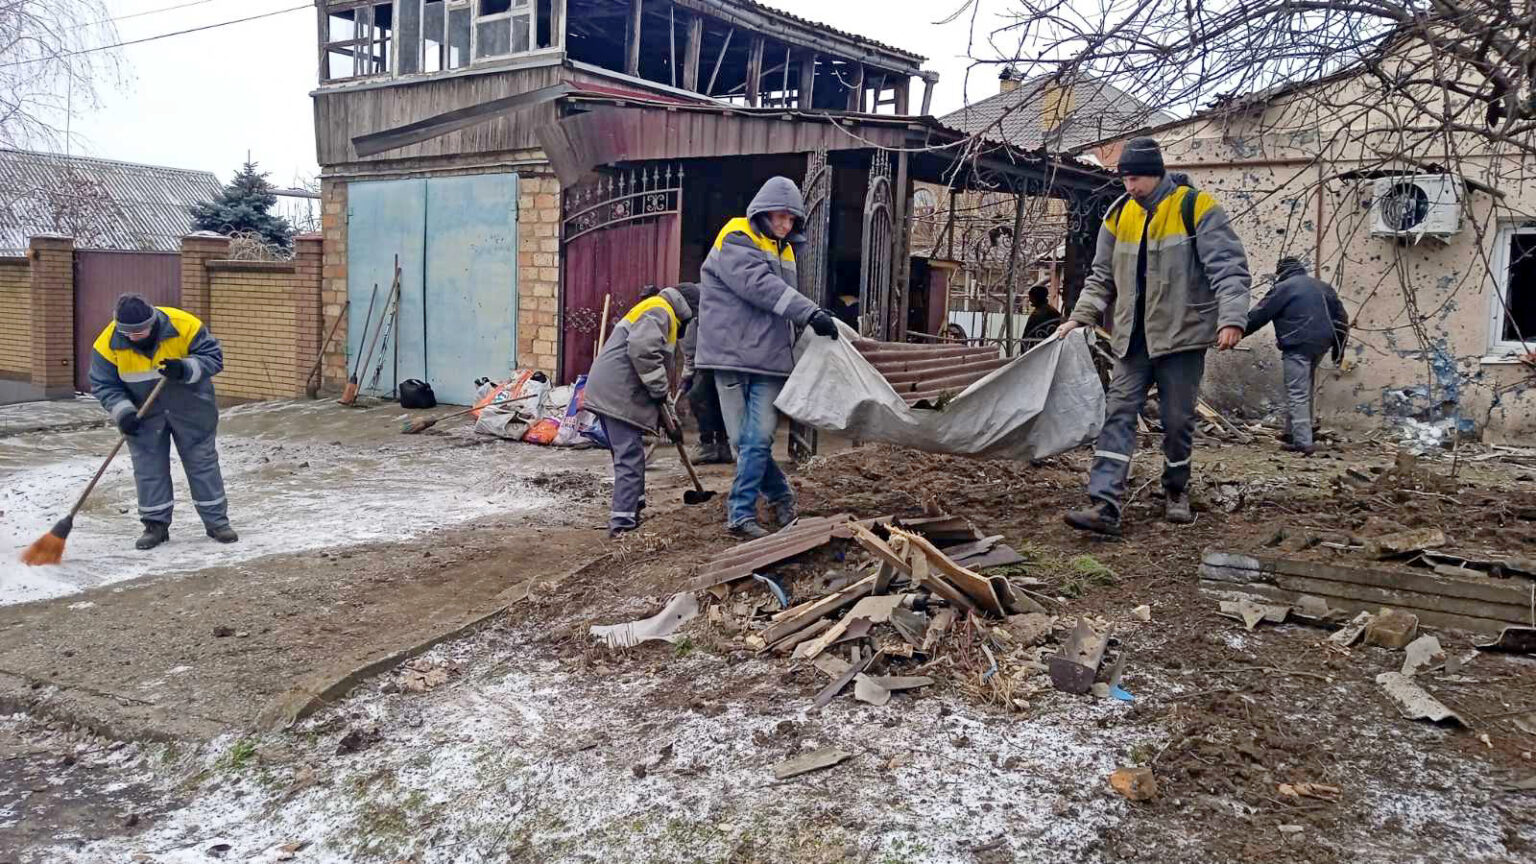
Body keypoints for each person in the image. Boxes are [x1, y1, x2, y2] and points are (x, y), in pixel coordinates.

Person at [1056, 137, 1252, 536]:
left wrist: (1232, 318)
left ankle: (1176, 489)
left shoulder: (1196, 208)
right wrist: (1080, 317)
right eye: (1125, 179)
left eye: (1137, 179)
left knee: (1177, 420)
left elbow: (1229, 269)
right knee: (1118, 413)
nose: (1131, 187)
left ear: (1157, 173)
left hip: (1181, 338)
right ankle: (1104, 503)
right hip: (1131, 339)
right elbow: (1100, 277)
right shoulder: (1118, 215)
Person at [696, 176, 840, 540]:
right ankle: (780, 495)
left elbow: (778, 300)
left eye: (792, 220)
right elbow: (760, 286)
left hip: (770, 360)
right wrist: (810, 312)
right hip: (730, 356)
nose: (785, 224)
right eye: (781, 216)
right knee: (744, 443)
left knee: (757, 440)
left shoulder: (786, 249)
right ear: (763, 210)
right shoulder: (736, 236)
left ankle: (740, 514)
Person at [89, 293, 237, 550]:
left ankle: (217, 523)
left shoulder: (184, 325)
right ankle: (155, 526)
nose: (137, 336)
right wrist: (123, 413)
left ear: (153, 318)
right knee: (149, 470)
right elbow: (104, 385)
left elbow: (214, 358)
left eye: (142, 330)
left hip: (192, 410)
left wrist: (185, 368)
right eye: (129, 333)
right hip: (143, 416)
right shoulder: (107, 344)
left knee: (202, 465)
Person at [584, 284, 701, 537]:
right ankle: (623, 524)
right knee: (629, 457)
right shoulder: (661, 311)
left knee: (629, 454)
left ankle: (633, 507)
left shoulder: (657, 310)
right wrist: (659, 392)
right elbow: (643, 351)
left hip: (611, 390)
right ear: (688, 311)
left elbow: (656, 378)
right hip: (616, 393)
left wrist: (671, 419)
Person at [1244, 256, 1350, 455]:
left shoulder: (1284, 288)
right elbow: (1342, 320)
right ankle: (1293, 435)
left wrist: (1234, 333)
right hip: (1322, 344)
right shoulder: (1323, 287)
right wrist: (1338, 351)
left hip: (1297, 344)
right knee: (1303, 388)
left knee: (1297, 392)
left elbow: (1259, 314)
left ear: (1281, 272)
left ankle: (1303, 442)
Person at [678, 281, 733, 465]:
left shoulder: (686, 312)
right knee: (717, 399)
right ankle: (721, 445)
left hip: (716, 358)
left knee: (698, 397)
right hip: (725, 357)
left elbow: (690, 350)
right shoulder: (711, 293)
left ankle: (709, 445)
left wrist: (687, 375)